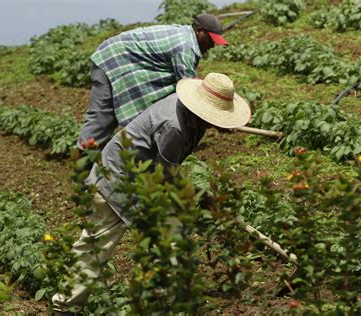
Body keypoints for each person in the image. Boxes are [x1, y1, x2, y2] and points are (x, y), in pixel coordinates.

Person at [52, 73, 251, 314]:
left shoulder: (189, 116)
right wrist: (200, 198)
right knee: (99, 246)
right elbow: (164, 177)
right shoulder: (174, 127)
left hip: (136, 179)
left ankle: (171, 298)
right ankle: (65, 307)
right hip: (117, 183)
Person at [77, 14, 229, 152]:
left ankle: (96, 161)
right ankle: (83, 161)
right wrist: (217, 120)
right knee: (103, 115)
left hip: (122, 58)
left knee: (110, 116)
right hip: (112, 59)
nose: (212, 45)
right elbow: (187, 91)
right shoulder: (185, 46)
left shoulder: (186, 37)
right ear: (199, 31)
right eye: (210, 39)